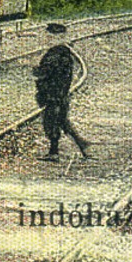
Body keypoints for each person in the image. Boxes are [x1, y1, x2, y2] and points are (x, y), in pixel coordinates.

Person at [33, 22, 89, 160]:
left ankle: (54, 152)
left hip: (52, 94)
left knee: (51, 121)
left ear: (54, 37)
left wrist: (35, 70)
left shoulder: (54, 56)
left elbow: (44, 73)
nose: (46, 39)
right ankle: (82, 144)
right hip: (60, 93)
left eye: (48, 36)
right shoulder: (64, 53)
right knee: (61, 120)